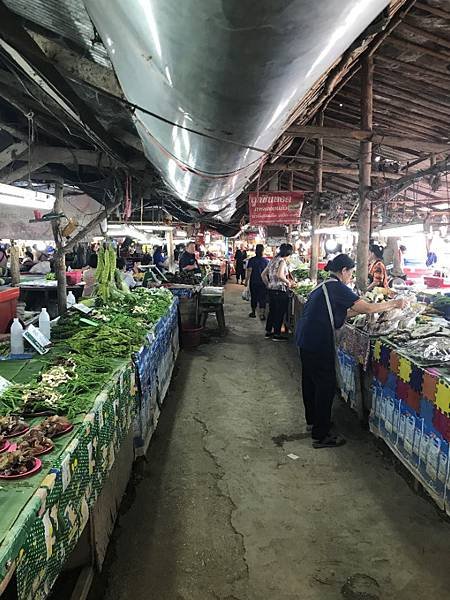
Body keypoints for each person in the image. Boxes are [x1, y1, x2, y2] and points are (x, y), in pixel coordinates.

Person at [296, 254, 407, 449]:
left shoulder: (324, 285)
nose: (351, 277)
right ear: (344, 271)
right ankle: (321, 435)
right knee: (325, 386)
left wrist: (362, 310)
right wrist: (394, 304)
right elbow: (367, 307)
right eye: (351, 273)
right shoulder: (336, 287)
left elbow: (342, 312)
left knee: (311, 382)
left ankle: (314, 422)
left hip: (306, 339)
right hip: (318, 341)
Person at [261, 243, 294, 341]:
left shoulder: (272, 260)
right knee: (279, 312)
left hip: (271, 290)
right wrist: (288, 282)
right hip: (280, 290)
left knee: (272, 311)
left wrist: (269, 284)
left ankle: (268, 332)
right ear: (288, 253)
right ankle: (276, 334)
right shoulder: (282, 261)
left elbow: (263, 274)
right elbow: (280, 275)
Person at [245, 244, 269, 320]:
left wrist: (246, 280)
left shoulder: (251, 260)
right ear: (263, 251)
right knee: (263, 298)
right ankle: (262, 314)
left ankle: (253, 313)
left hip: (254, 282)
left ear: (255, 250)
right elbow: (268, 273)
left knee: (254, 297)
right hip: (263, 282)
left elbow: (249, 271)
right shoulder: (266, 261)